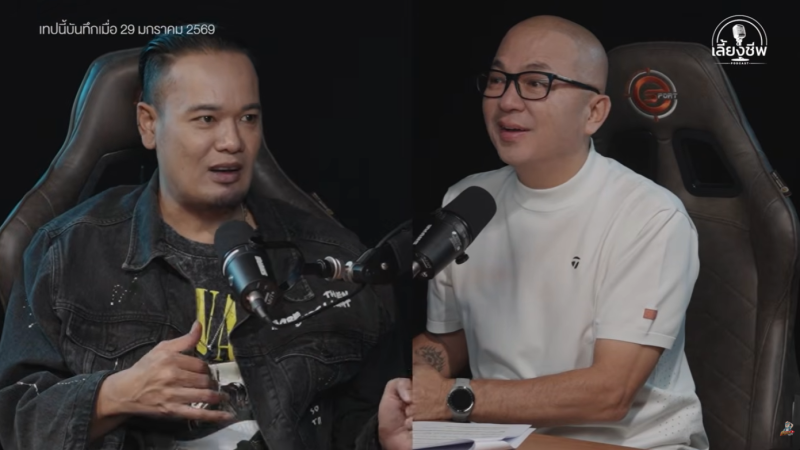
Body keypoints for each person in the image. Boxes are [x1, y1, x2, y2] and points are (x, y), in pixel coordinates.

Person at [0, 27, 406, 450]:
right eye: (206, 119)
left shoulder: (336, 262)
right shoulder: (66, 254)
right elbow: (11, 421)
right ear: (148, 124)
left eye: (248, 118)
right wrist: (112, 396)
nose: (233, 142)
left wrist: (382, 436)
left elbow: (358, 419)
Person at [410, 15, 709, 450]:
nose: (507, 101)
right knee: (394, 433)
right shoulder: (467, 201)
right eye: (498, 80)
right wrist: (420, 380)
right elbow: (445, 338)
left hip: (630, 442)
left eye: (536, 83)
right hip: (505, 436)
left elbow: (610, 394)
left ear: (594, 112)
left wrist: (451, 399)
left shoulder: (649, 216)